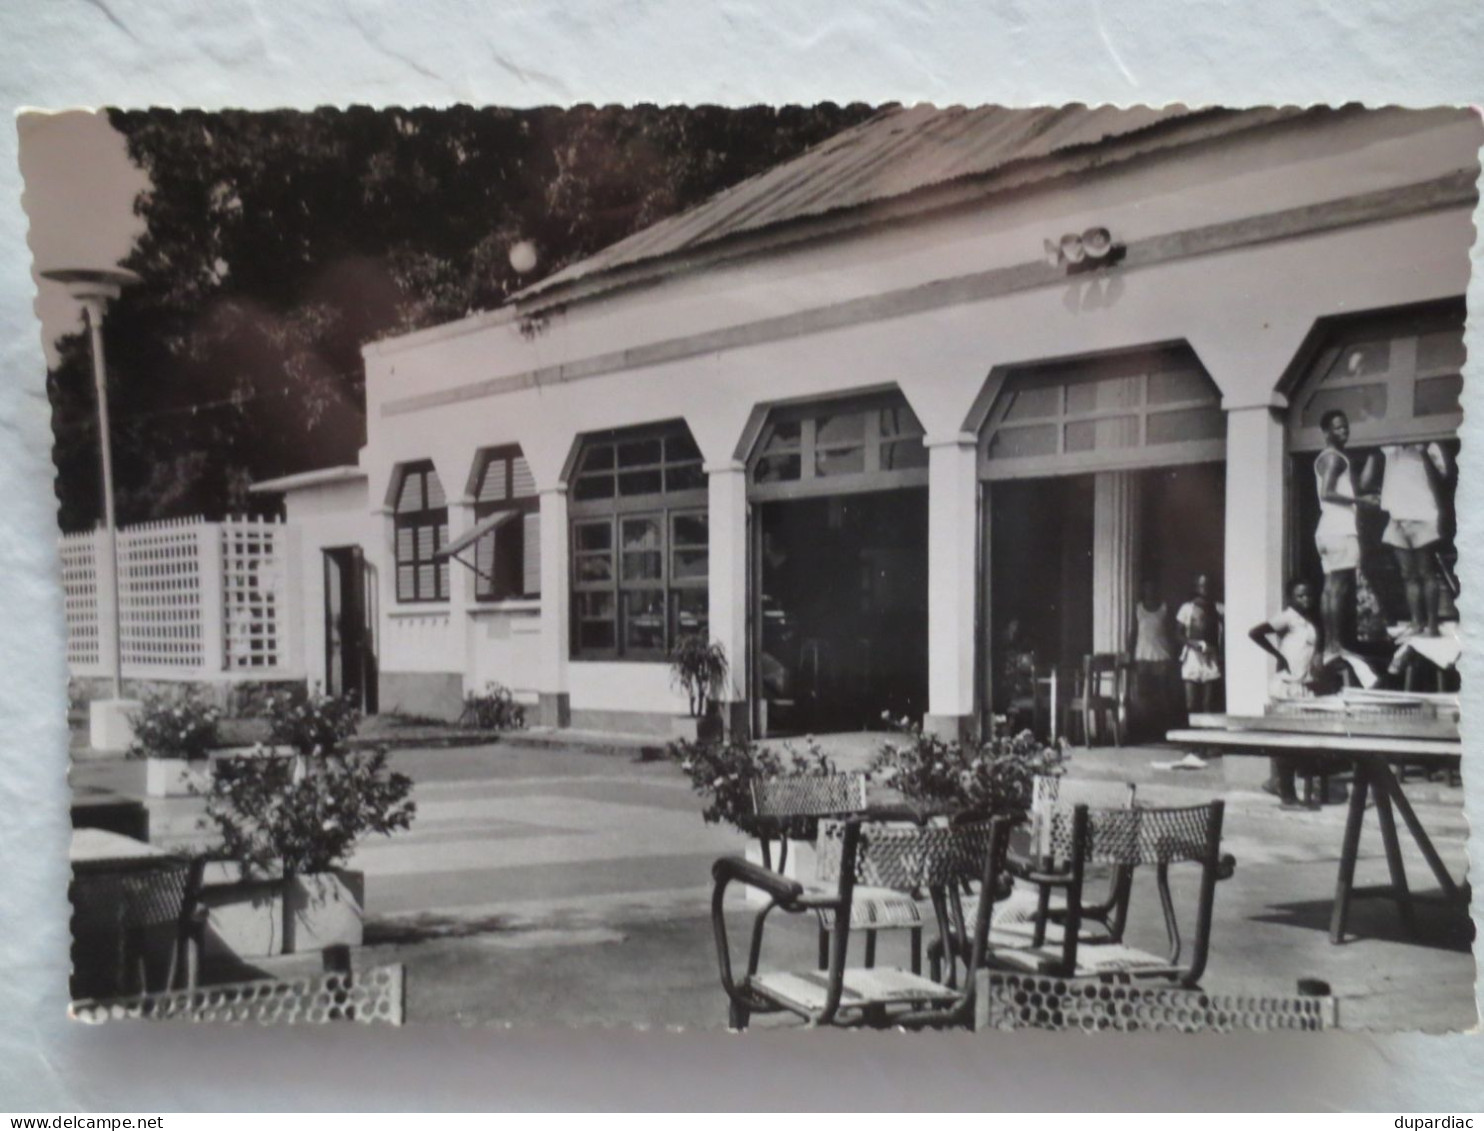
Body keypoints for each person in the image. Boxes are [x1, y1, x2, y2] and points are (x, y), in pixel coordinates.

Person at [1362, 441, 1450, 637]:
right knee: (1408, 575)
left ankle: (1433, 625)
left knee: (1427, 573)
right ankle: (1417, 622)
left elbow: (1440, 480)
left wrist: (1423, 450)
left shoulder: (1431, 446)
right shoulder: (1389, 447)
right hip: (1397, 518)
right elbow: (1366, 479)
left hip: (1423, 516)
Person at [1313, 409, 1379, 661]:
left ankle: (1331, 644)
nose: (1343, 431)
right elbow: (1327, 493)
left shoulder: (1337, 458)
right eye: (1337, 427)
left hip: (1329, 529)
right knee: (1337, 589)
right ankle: (1334, 645)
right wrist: (1362, 500)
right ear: (1326, 432)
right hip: (1339, 529)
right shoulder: (1334, 459)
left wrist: (1374, 454)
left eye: (1345, 427)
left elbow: (1358, 485)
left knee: (1331, 588)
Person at [1249, 580, 1322, 805]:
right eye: (1300, 596)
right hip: (1286, 686)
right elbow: (1255, 632)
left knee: (1303, 741)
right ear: (1291, 598)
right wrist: (1279, 656)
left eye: (1308, 595)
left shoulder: (1313, 620)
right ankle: (1287, 793)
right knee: (1286, 742)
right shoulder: (1288, 617)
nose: (1305, 600)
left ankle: (1281, 784)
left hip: (1304, 687)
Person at [1126, 577, 1176, 738]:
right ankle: (1144, 730)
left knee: (1162, 694)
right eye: (1147, 588)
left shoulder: (1164, 608)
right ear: (1143, 590)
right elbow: (1133, 633)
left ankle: (1164, 731)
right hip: (1142, 657)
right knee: (1142, 695)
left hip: (1161, 656)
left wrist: (1173, 654)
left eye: (1153, 588)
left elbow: (1171, 632)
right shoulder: (1138, 609)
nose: (1150, 591)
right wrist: (1129, 654)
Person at [1175, 572, 1223, 715]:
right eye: (1201, 585)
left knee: (1208, 702)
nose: (1205, 588)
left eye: (1207, 585)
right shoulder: (1186, 608)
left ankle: (1206, 733)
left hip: (1211, 655)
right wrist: (1191, 643)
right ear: (1196, 587)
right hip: (1192, 656)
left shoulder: (1219, 608)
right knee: (1191, 702)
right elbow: (1178, 634)